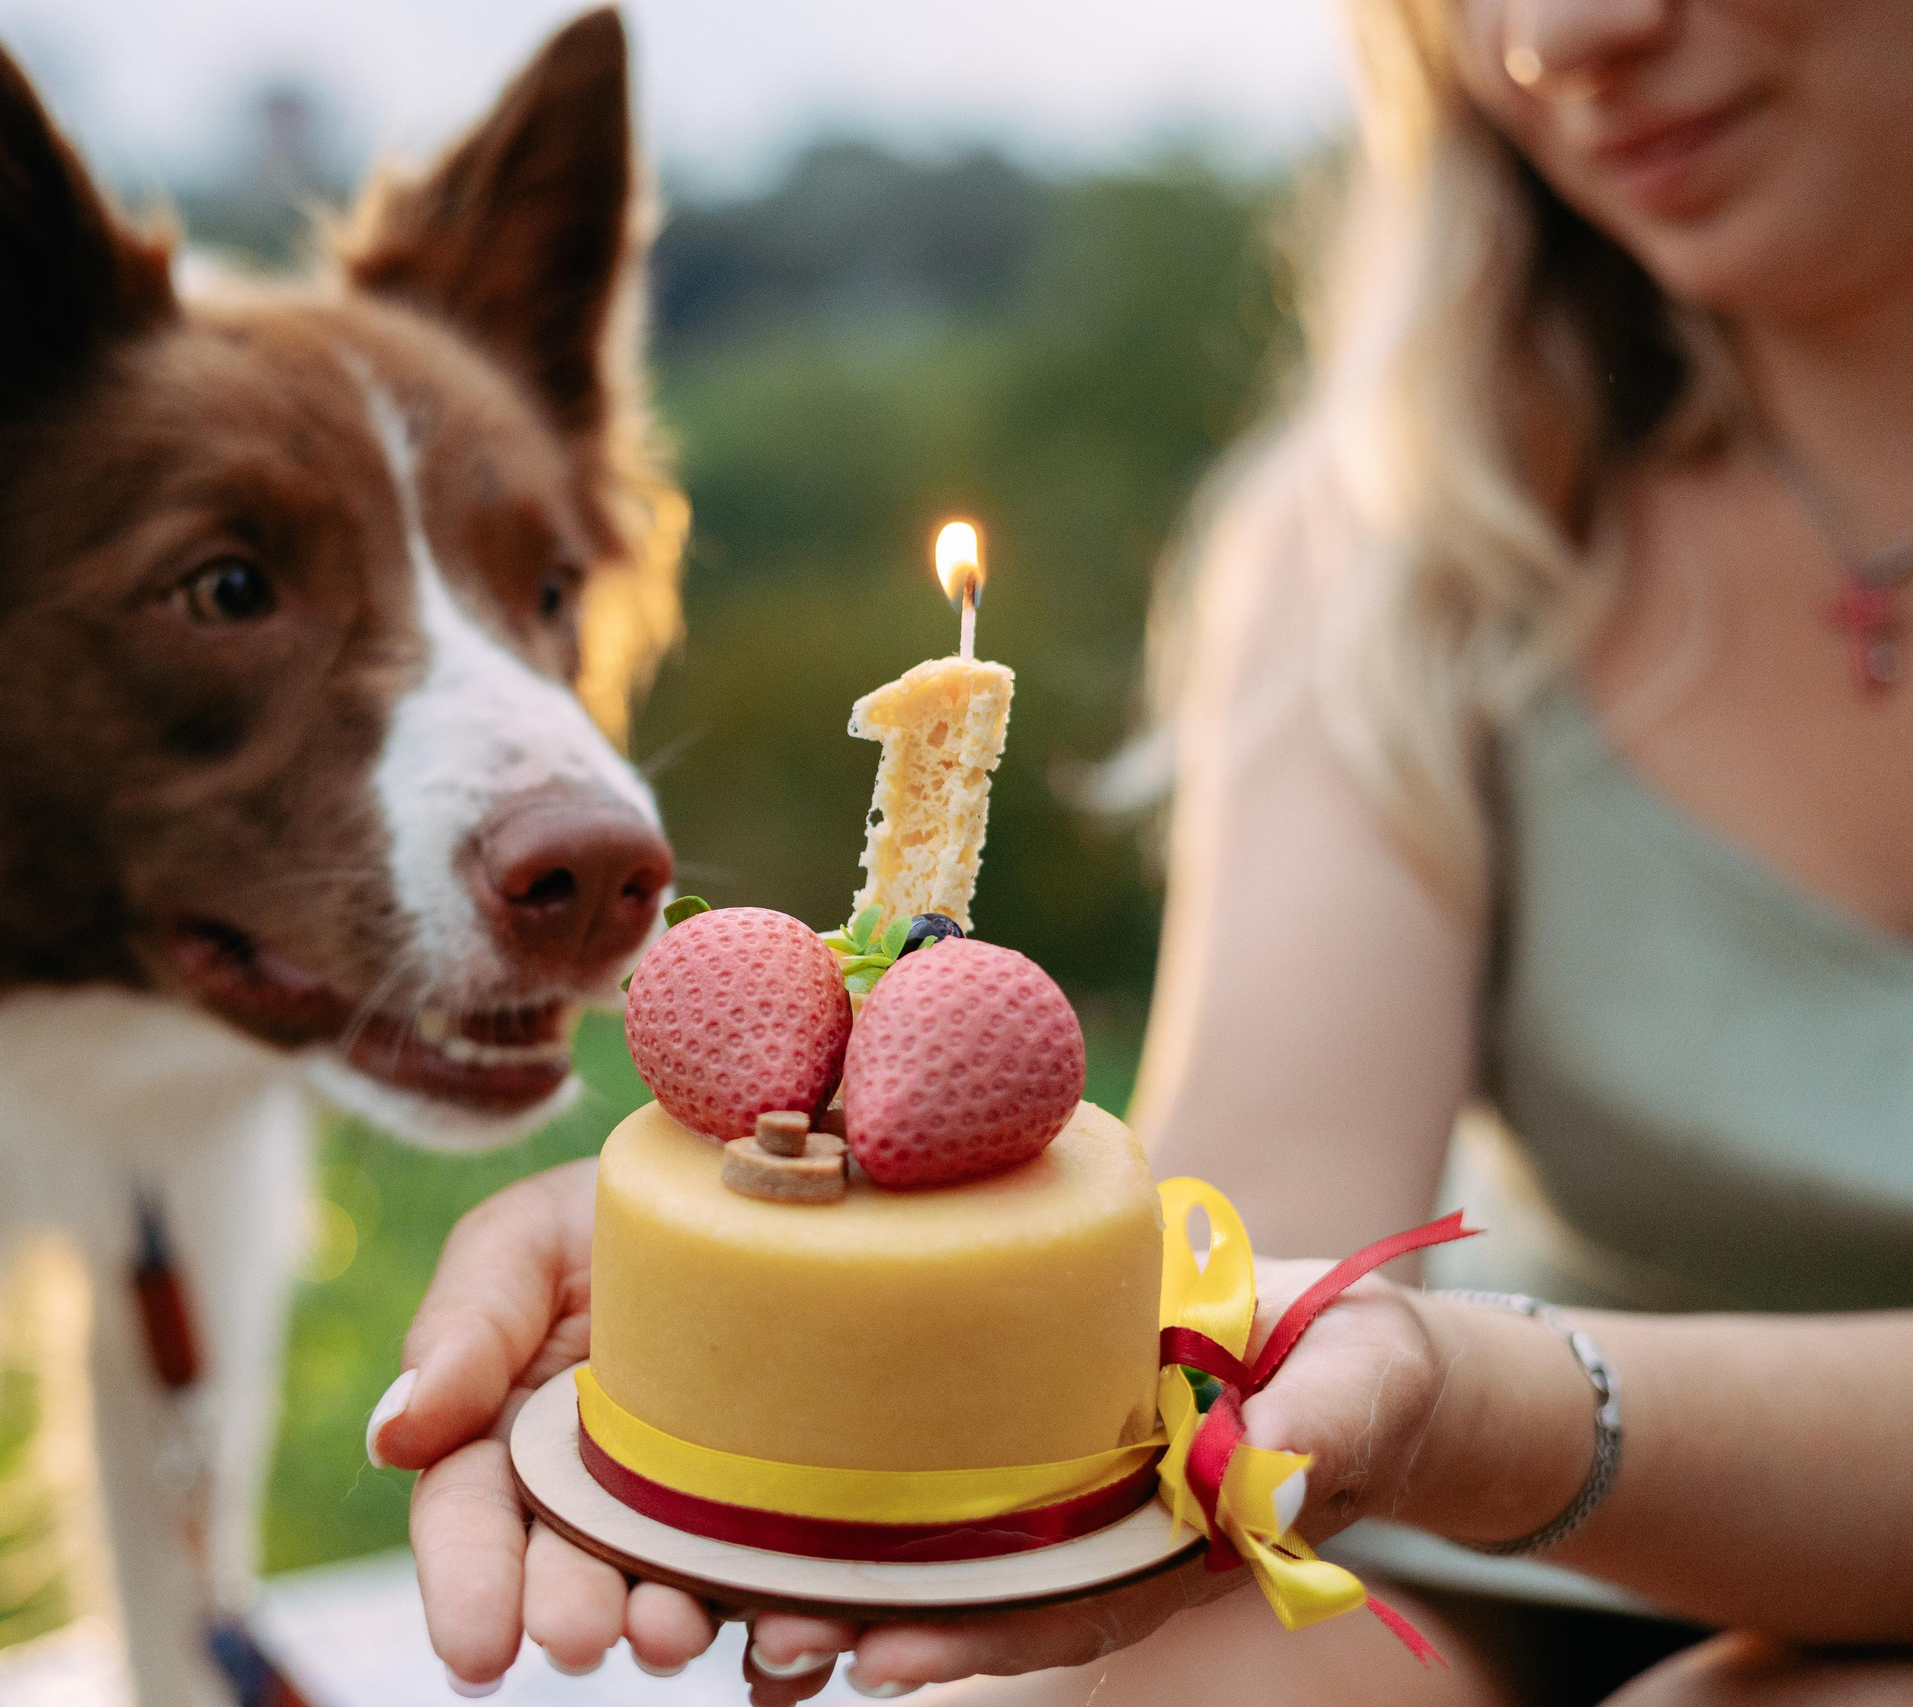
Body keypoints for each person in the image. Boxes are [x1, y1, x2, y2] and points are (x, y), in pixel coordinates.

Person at [366, 0, 1913, 1699]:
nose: (1563, 32)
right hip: (1492, 1541)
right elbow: (1240, 1279)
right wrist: (815, 1297)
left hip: (1519, 1454)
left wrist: (1492, 1410)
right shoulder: (1402, 532)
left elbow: (1418, 1398)